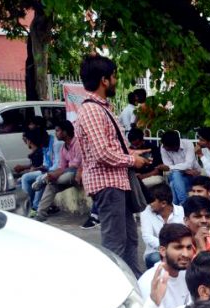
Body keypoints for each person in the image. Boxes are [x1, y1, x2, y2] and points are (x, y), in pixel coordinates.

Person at [75, 54, 152, 275]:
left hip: (118, 183)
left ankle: (135, 285)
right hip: (108, 185)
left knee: (130, 239)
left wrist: (133, 153)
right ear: (104, 80)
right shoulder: (91, 110)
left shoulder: (102, 108)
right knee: (115, 244)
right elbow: (101, 153)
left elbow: (108, 147)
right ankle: (117, 293)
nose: (116, 81)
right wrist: (132, 160)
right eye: (114, 76)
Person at [137, 223, 193, 308]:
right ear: (163, 251)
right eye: (178, 247)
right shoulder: (150, 282)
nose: (186, 254)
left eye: (189, 247)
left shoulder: (186, 273)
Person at [34, 120, 82, 222]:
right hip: (67, 173)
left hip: (79, 172)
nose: (55, 133)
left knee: (65, 176)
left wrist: (55, 174)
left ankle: (44, 180)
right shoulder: (63, 148)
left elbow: (80, 164)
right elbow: (61, 167)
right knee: (51, 184)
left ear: (65, 132)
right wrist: (53, 175)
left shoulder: (78, 144)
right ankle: (40, 213)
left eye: (57, 131)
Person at [140, 184, 184, 267]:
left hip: (181, 249)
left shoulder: (181, 211)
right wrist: (169, 248)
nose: (149, 204)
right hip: (155, 252)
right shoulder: (146, 212)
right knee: (155, 259)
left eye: (152, 201)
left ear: (163, 203)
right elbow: (147, 236)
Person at [159, 130, 199, 205]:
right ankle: (184, 204)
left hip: (192, 176)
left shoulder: (188, 144)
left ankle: (175, 207)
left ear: (174, 146)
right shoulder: (163, 148)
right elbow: (169, 167)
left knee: (172, 184)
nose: (163, 147)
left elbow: (189, 165)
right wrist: (182, 169)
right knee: (176, 174)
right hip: (176, 175)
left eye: (165, 146)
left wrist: (171, 168)